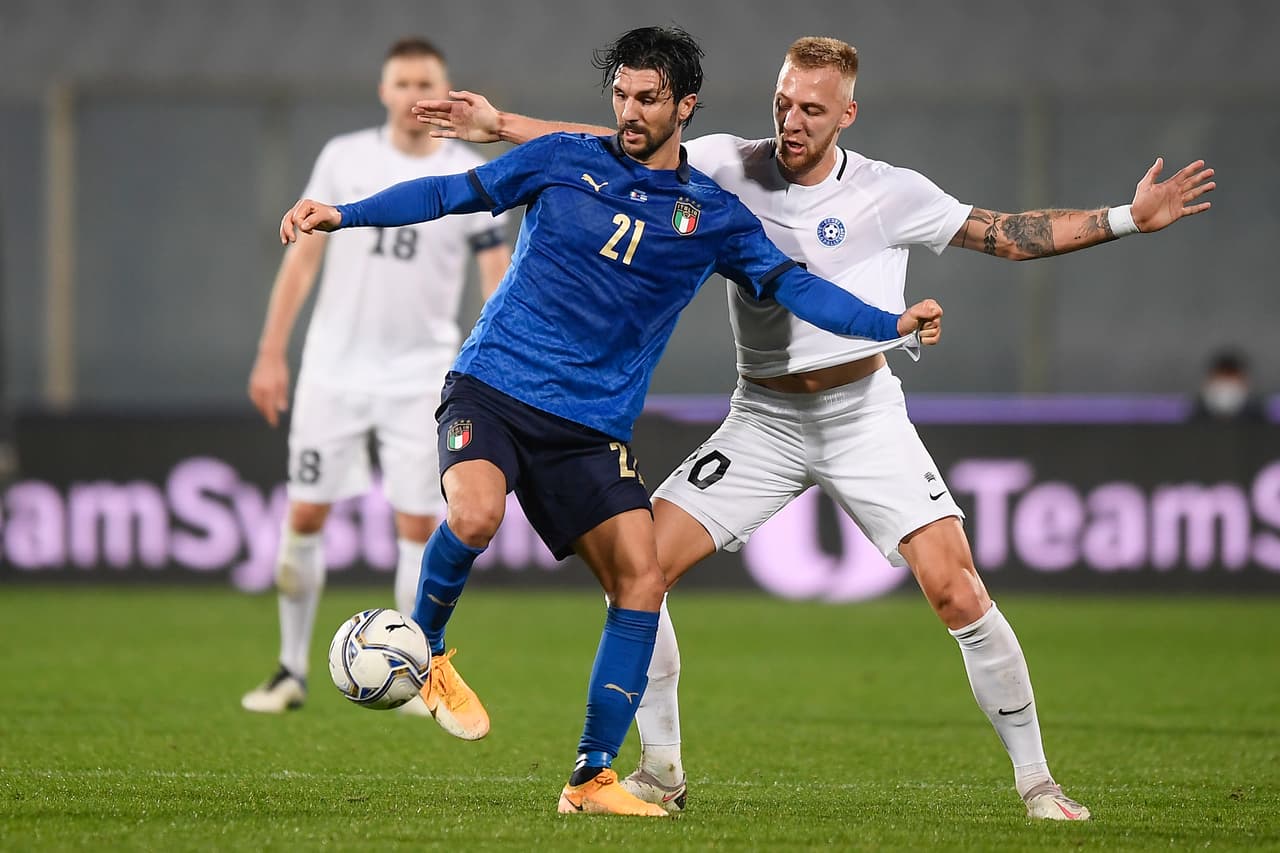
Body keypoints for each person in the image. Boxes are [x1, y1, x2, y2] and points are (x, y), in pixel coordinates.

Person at [414, 35, 1217, 820]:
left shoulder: (890, 192)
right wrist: (504, 124)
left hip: (862, 413)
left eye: (811, 109)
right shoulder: (729, 164)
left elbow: (1003, 234)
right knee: (642, 572)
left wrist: (1126, 219)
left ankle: (1038, 781)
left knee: (956, 588)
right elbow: (621, 142)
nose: (791, 122)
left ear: (847, 114)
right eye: (782, 103)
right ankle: (659, 771)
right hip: (762, 415)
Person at [278, 26, 943, 816]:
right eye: (621, 95)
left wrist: (888, 323)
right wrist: (341, 213)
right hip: (493, 388)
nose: (630, 112)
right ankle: (426, 653)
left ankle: (592, 777)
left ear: (685, 106)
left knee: (642, 580)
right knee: (476, 511)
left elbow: (797, 290)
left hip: (589, 431)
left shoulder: (712, 214)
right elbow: (448, 194)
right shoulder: (563, 159)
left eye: (648, 98)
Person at [240, 37, 512, 717]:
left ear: (447, 95)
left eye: (427, 82)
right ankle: (288, 669)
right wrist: (272, 350)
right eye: (401, 81)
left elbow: (494, 277)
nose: (413, 93)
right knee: (305, 512)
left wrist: (499, 360)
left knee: (419, 523)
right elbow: (301, 260)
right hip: (333, 367)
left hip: (424, 373)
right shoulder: (344, 157)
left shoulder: (469, 171)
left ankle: (411, 675)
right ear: (384, 91)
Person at [1190, 349, 1266, 422]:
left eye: (1232, 376)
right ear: (1207, 382)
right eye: (1221, 376)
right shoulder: (1191, 417)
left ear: (1245, 383)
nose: (1226, 384)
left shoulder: (1261, 418)